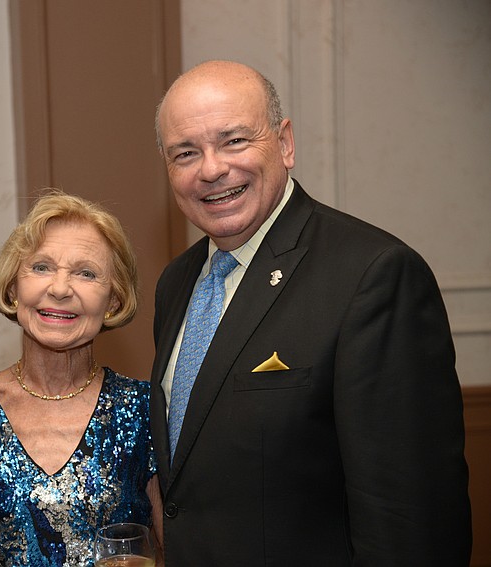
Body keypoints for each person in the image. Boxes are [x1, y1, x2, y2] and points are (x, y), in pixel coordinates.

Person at [150, 59, 472, 565]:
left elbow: (412, 518)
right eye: (185, 152)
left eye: (234, 140)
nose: (211, 168)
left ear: (285, 143)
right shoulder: (176, 283)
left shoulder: (373, 276)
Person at [0, 191, 163, 566]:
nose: (60, 289)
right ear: (14, 288)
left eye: (86, 273)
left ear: (113, 300)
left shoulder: (145, 410)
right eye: (42, 267)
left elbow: (178, 551)